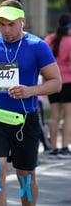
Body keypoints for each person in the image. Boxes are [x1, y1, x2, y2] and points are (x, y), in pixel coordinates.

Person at [0, 0, 62, 206]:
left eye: (11, 24)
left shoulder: (37, 46)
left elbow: (56, 82)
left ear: (23, 22)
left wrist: (31, 90)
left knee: (26, 177)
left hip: (25, 121)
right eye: (2, 24)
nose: (6, 30)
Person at [44, 12, 71, 158]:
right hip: (67, 82)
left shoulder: (49, 39)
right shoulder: (69, 41)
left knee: (54, 116)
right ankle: (65, 146)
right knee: (68, 116)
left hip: (50, 82)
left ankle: (53, 147)